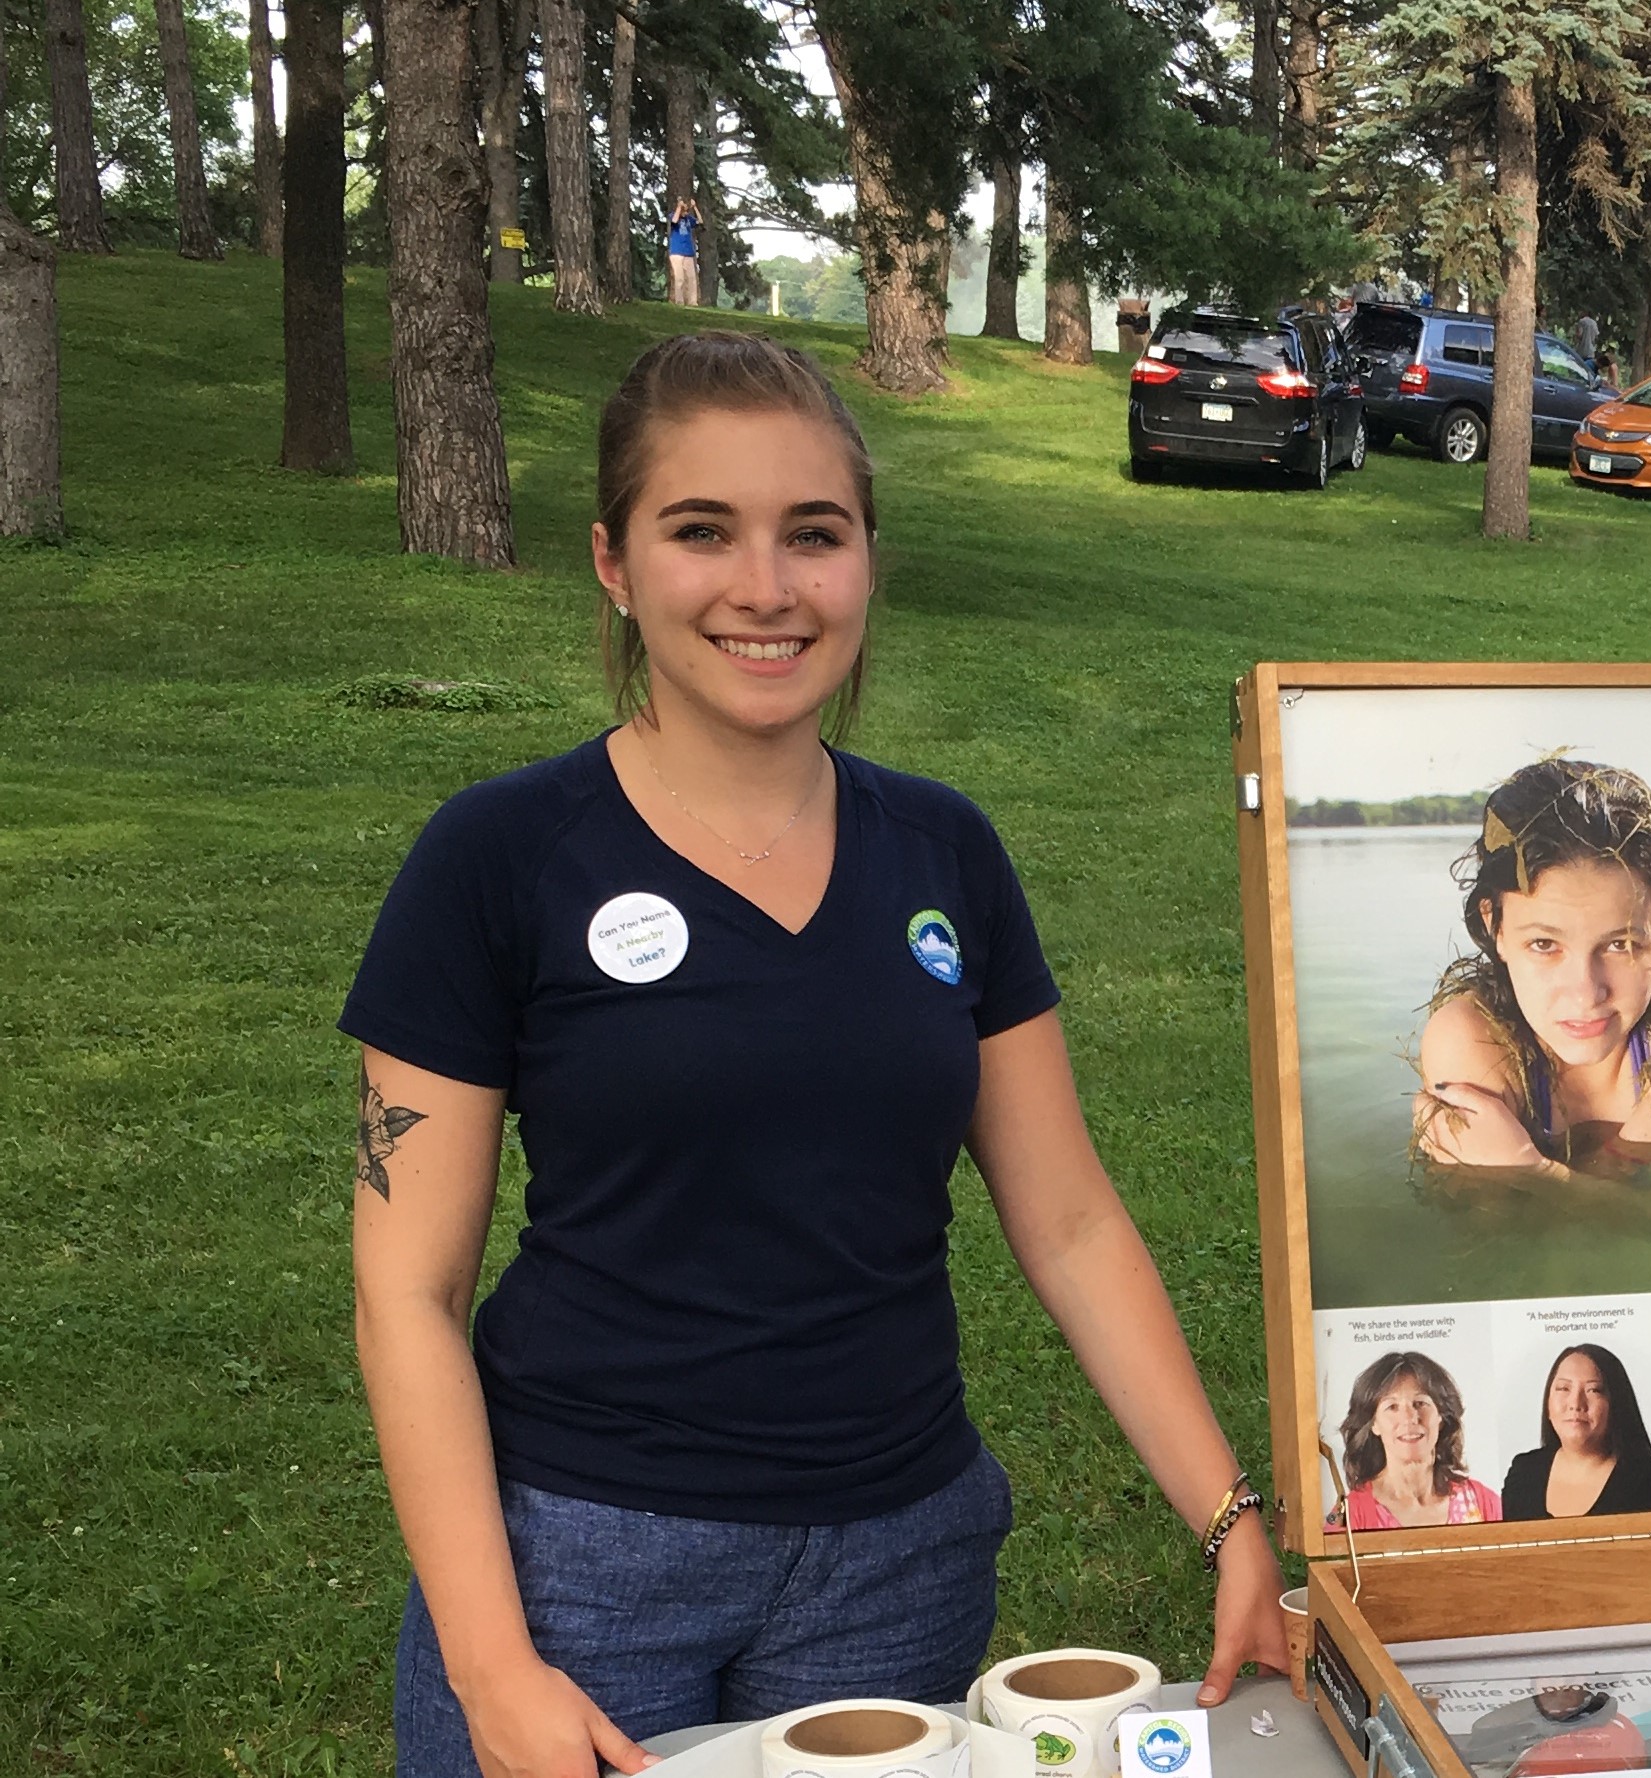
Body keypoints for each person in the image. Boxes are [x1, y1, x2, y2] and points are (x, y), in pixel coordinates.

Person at [342, 332, 1286, 1778]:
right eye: (701, 530)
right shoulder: (499, 856)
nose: (765, 588)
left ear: (864, 562)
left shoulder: (945, 850)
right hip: (580, 1563)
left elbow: (1074, 1219)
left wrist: (1232, 1519)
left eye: (813, 534)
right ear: (613, 562)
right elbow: (409, 1290)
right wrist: (492, 1659)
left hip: (896, 1563)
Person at [1413, 759, 1651, 1208]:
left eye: (1620, 944)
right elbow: (1494, 1243)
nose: (1585, 992)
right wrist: (1635, 1147)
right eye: (1543, 944)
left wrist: (1529, 1171)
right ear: (1494, 925)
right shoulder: (1472, 1043)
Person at [1329, 1351, 1502, 1529]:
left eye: (1420, 1403)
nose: (1410, 1418)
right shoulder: (1347, 1516)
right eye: (1392, 1407)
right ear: (1374, 1424)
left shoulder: (1483, 1503)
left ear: (1442, 1416)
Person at [1500, 1344, 1651, 1519]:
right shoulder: (1523, 1473)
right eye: (1564, 1388)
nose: (1576, 1403)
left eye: (1593, 1390)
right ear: (1548, 1403)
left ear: (1616, 1404)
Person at [664, 197, 702, 307]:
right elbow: (674, 221)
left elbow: (700, 221)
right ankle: (679, 301)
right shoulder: (673, 215)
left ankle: (692, 302)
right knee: (679, 278)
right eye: (684, 208)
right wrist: (678, 207)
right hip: (676, 252)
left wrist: (695, 207)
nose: (685, 211)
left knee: (691, 278)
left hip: (688, 252)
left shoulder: (689, 219)